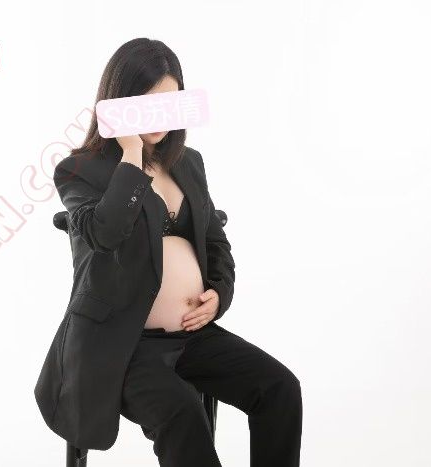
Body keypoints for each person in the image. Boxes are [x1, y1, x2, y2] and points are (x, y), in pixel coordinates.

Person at [35, 37, 302, 467]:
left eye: (169, 102)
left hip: (192, 336)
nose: (159, 116)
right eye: (146, 103)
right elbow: (105, 233)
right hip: (124, 345)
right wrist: (131, 153)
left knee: (279, 388)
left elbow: (215, 242)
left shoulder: (187, 162)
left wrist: (218, 294)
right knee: (183, 415)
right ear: (119, 101)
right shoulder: (79, 170)